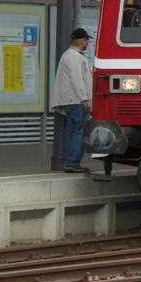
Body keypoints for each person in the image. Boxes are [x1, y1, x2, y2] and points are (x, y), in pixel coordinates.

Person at [51, 28, 93, 173]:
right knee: (80, 130)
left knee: (71, 130)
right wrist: (84, 99)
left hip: (70, 100)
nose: (88, 43)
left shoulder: (68, 55)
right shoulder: (74, 56)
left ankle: (69, 161)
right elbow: (77, 79)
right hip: (76, 100)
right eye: (87, 40)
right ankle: (73, 162)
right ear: (83, 41)